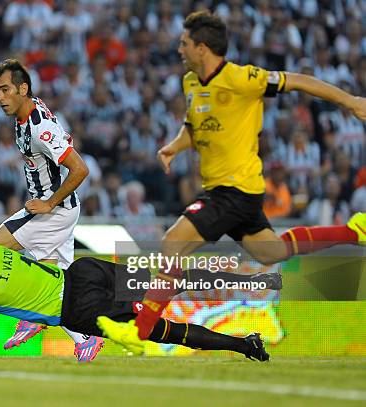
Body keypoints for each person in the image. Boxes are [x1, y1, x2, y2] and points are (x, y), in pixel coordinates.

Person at [99, 10, 366, 354]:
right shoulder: (191, 83)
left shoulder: (243, 79)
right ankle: (354, 231)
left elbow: (298, 80)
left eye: (184, 44)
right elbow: (194, 127)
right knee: (272, 250)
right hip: (230, 192)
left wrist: (351, 102)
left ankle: (139, 333)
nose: (178, 50)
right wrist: (175, 146)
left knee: (172, 243)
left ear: (202, 47)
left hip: (235, 189)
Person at [0, 223, 271, 363]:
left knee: (163, 330)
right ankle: (253, 278)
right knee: (159, 279)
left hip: (81, 307)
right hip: (83, 272)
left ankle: (243, 345)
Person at [0, 60, 100, 361]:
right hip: (59, 210)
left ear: (22, 89)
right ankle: (83, 336)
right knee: (58, 283)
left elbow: (80, 169)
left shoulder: (41, 129)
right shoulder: (26, 105)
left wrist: (49, 203)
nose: (0, 98)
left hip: (53, 211)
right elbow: (10, 94)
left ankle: (32, 315)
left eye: (4, 91)